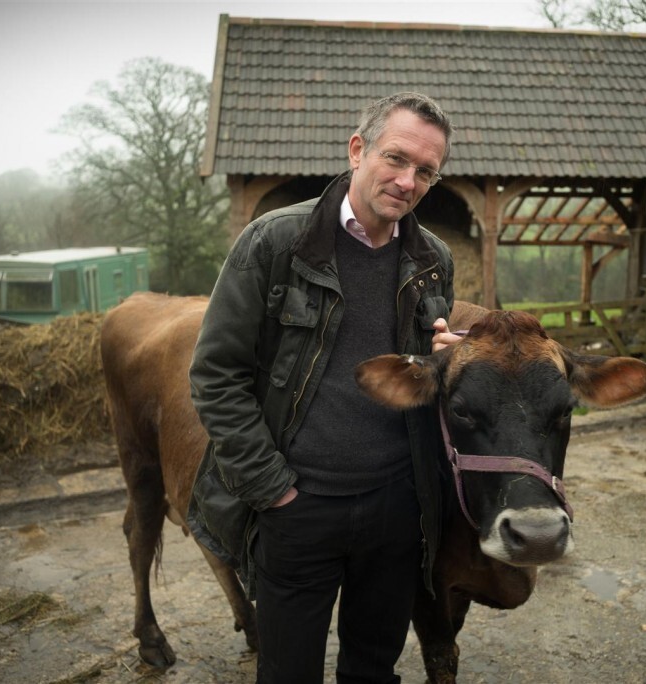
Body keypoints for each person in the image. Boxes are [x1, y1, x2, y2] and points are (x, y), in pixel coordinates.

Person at [186, 92, 459, 684]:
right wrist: (272, 489)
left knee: (372, 670)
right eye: (396, 158)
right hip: (299, 506)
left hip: (394, 508)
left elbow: (413, 379)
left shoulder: (433, 259)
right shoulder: (275, 243)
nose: (408, 181)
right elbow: (215, 374)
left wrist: (444, 367)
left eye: (426, 172)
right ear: (358, 150)